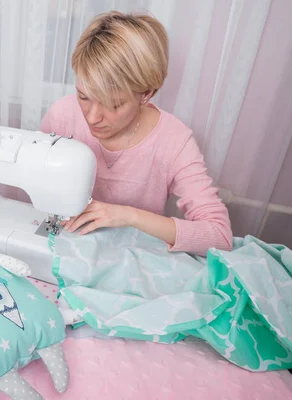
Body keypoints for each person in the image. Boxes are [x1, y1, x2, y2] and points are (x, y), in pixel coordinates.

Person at [40, 10, 232, 256]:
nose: (92, 117)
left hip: (135, 259)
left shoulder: (174, 141)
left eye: (114, 104)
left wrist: (127, 216)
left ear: (146, 94)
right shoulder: (62, 114)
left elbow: (220, 236)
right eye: (84, 96)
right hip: (69, 251)